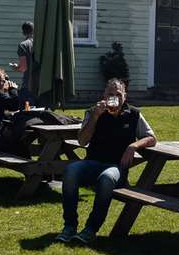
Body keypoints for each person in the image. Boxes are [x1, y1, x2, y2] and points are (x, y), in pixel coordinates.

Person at [59, 78, 156, 245]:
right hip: (92, 163)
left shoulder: (133, 114)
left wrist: (133, 146)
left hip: (116, 168)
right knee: (70, 171)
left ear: (125, 96)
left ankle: (91, 229)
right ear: (104, 96)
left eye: (118, 94)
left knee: (107, 178)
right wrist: (96, 117)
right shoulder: (93, 112)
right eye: (110, 94)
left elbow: (152, 138)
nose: (114, 98)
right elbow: (82, 141)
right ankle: (69, 226)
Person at [17, 21, 36, 97]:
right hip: (42, 84)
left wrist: (16, 67)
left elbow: (23, 68)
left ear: (23, 32)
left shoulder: (23, 45)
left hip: (29, 84)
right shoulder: (40, 43)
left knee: (27, 108)